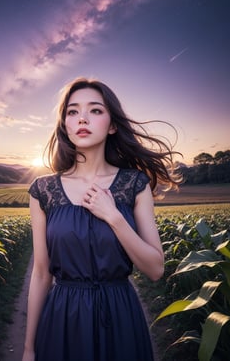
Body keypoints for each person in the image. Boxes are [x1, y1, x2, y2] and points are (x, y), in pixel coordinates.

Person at [22, 77, 181, 361]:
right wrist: (29, 349)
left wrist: (114, 217)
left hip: (121, 318)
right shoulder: (43, 191)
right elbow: (41, 273)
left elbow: (155, 269)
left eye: (95, 110)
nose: (82, 117)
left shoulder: (134, 184)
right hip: (63, 319)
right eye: (72, 111)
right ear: (65, 125)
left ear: (112, 125)